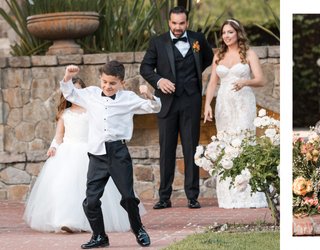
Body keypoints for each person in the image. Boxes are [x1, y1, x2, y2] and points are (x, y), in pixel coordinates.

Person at [23, 78, 145, 233]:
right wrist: (53, 147)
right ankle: (66, 221)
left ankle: (91, 223)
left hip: (91, 152)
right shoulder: (64, 114)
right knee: (64, 186)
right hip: (68, 154)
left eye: (79, 91)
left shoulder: (93, 110)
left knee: (90, 189)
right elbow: (59, 136)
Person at [60, 61, 160, 248]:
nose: (107, 86)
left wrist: (149, 95)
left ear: (121, 82)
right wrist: (67, 77)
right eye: (104, 82)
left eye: (112, 83)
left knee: (128, 197)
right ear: (100, 79)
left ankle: (138, 229)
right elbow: (69, 93)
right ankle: (99, 236)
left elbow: (154, 108)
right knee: (91, 201)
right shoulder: (89, 95)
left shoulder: (128, 98)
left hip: (118, 153)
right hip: (97, 154)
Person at [140, 6, 214, 209]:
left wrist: (193, 77)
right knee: (166, 150)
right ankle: (164, 197)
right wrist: (159, 80)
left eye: (182, 23)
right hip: (167, 102)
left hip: (191, 101)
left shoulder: (198, 39)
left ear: (187, 23)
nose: (178, 27)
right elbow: (145, 68)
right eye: (174, 23)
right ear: (169, 23)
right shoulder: (158, 42)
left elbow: (208, 58)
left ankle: (192, 196)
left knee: (192, 148)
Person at [203, 19, 267, 209]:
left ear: (238, 33)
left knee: (244, 142)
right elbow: (213, 83)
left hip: (243, 103)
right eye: (224, 33)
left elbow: (261, 80)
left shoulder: (249, 53)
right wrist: (207, 105)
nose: (226, 36)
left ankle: (248, 194)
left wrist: (245, 82)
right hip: (223, 103)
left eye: (230, 32)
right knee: (226, 144)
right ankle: (229, 195)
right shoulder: (218, 55)